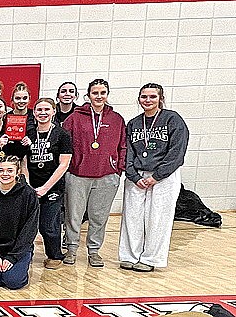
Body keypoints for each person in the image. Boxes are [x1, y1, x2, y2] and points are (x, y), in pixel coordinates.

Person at [120, 83, 189, 272]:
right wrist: (133, 175)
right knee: (132, 217)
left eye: (152, 97)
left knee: (157, 218)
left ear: (160, 99)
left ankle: (151, 259)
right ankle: (129, 255)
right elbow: (128, 152)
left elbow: (177, 152)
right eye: (144, 97)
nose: (147, 100)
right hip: (137, 177)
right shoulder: (134, 123)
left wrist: (157, 176)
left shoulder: (173, 120)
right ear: (139, 99)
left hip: (163, 177)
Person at [61, 79, 127, 268]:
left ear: (107, 95)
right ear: (88, 95)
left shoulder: (116, 119)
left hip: (107, 176)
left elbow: (123, 146)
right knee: (74, 215)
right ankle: (71, 248)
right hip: (78, 174)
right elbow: (64, 144)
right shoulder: (75, 117)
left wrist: (118, 170)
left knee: (99, 216)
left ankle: (94, 251)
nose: (99, 97)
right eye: (95, 93)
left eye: (102, 93)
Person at [24, 98, 73, 270]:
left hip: (53, 187)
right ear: (34, 113)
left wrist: (46, 187)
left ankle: (54, 255)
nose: (43, 113)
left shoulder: (62, 134)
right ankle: (24, 255)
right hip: (31, 186)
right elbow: (24, 161)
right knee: (28, 224)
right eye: (39, 110)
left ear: (53, 111)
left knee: (48, 225)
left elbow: (64, 163)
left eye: (47, 109)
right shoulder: (29, 134)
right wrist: (28, 184)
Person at [0, 155, 39, 290]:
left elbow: (30, 229)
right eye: (1, 170)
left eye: (10, 170)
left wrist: (12, 257)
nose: (5, 174)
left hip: (18, 249)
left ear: (18, 172)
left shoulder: (28, 194)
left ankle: (22, 265)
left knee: (13, 282)